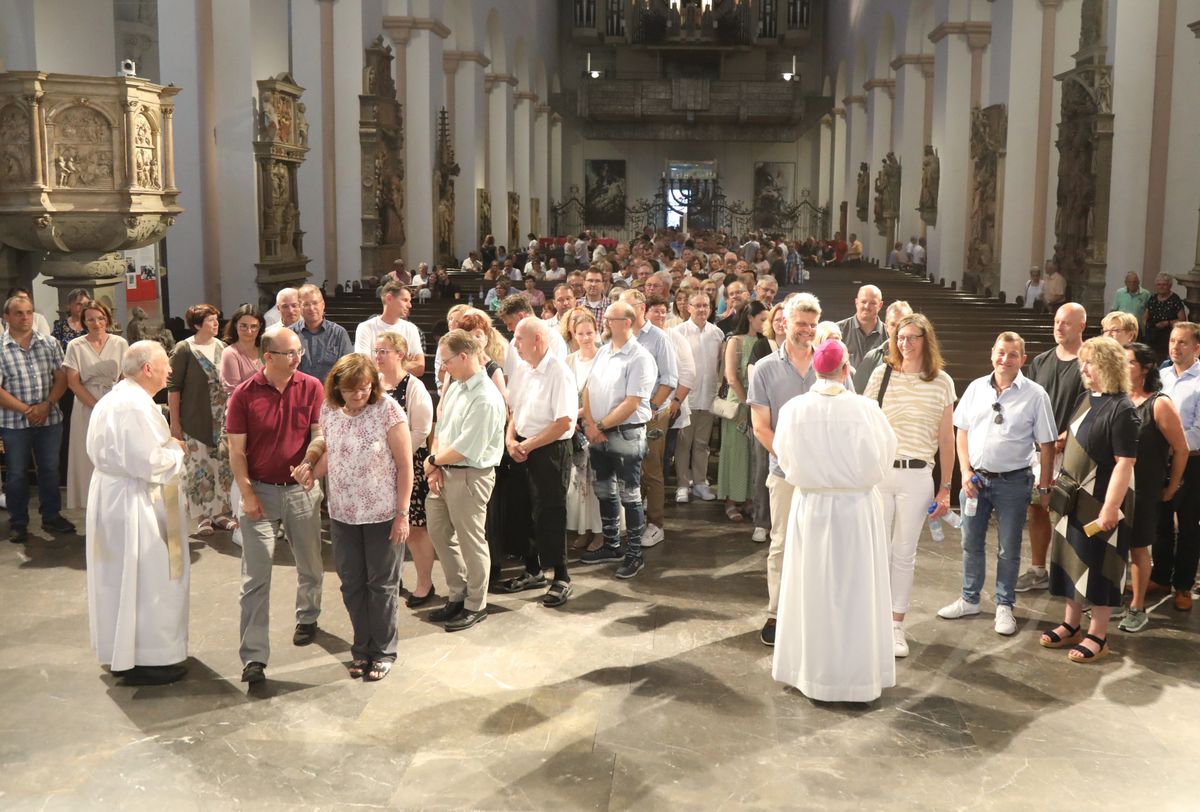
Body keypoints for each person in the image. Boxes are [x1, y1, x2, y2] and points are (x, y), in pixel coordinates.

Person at [771, 339, 897, 702]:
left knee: (812, 589)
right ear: (846, 370)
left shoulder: (795, 409)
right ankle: (857, 677)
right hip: (856, 509)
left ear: (814, 368)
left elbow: (784, 456)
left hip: (812, 507)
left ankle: (811, 672)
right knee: (856, 591)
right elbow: (886, 454)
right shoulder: (866, 409)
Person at [226, 327, 327, 685]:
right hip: (261, 494)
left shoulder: (312, 386)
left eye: (298, 351)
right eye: (289, 353)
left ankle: (308, 615)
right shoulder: (243, 395)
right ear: (268, 357)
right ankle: (253, 657)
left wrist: (311, 464)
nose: (297, 357)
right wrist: (247, 493)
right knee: (255, 577)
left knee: (311, 564)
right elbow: (236, 451)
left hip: (301, 491)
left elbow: (319, 433)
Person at [938, 332, 1056, 636]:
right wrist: (964, 472)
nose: (1005, 360)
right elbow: (961, 431)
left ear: (1023, 360)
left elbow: (1047, 443)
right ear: (992, 354)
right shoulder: (977, 388)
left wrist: (1043, 487)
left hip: (1014, 482)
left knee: (1009, 547)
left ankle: (1004, 605)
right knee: (970, 542)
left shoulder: (1035, 394)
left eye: (1012, 355)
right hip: (975, 479)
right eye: (1001, 353)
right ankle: (969, 598)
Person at [303, 354, 412, 682]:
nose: (359, 395)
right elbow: (332, 456)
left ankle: (384, 649)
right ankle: (361, 647)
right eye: (352, 390)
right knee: (351, 585)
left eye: (365, 388)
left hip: (383, 514)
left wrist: (402, 514)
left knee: (381, 585)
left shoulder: (388, 410)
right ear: (338, 387)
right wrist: (311, 470)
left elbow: (405, 466)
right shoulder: (329, 412)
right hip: (342, 514)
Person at [85, 341, 188, 686]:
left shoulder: (117, 398)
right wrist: (176, 451)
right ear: (147, 369)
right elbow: (148, 462)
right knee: (148, 577)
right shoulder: (132, 407)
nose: (169, 371)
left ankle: (123, 651)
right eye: (165, 365)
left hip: (114, 496)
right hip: (134, 501)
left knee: (120, 579)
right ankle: (150, 658)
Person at [860, 313, 957, 655]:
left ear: (926, 340)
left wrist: (946, 488)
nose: (906, 343)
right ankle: (872, 621)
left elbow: (947, 439)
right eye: (901, 337)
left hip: (917, 475)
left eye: (913, 337)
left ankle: (896, 626)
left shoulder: (942, 381)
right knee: (876, 550)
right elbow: (864, 423)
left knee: (903, 554)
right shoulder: (882, 373)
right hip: (882, 473)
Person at [1040, 337, 1138, 663]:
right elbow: (1080, 434)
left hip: (1100, 501)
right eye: (1082, 362)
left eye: (1090, 363)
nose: (1083, 368)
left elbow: (1125, 462)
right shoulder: (1087, 397)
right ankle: (1072, 623)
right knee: (1072, 560)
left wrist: (1111, 508)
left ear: (1108, 366)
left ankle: (1098, 633)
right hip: (1073, 497)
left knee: (1100, 566)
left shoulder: (1122, 408)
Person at [748, 294, 821, 645]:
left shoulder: (829, 364)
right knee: (781, 543)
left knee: (820, 545)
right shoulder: (765, 368)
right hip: (785, 472)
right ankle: (776, 613)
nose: (806, 330)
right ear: (785, 322)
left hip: (824, 477)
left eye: (812, 324)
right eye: (800, 323)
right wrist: (793, 460)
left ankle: (811, 611)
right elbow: (761, 426)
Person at [424, 330, 507, 631]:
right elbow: (442, 429)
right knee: (440, 535)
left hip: (470, 475)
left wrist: (432, 461)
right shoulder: (458, 386)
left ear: (464, 356)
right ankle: (457, 595)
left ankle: (476, 604)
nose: (443, 367)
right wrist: (434, 466)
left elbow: (465, 449)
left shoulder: (485, 397)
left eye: (446, 361)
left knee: (471, 543)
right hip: (445, 472)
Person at [500, 318, 577, 606]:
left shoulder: (559, 372)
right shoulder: (522, 369)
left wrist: (527, 445)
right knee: (522, 510)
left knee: (550, 511)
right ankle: (532, 570)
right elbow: (514, 410)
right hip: (522, 445)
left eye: (519, 339)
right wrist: (511, 440)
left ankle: (561, 575)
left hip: (550, 449)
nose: (515, 345)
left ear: (538, 340)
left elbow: (564, 422)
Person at [579, 302, 656, 579]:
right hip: (598, 432)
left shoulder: (639, 356)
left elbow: (632, 402)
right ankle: (612, 545)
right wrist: (590, 424)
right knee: (604, 490)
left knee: (629, 494)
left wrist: (599, 425)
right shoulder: (603, 351)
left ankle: (635, 554)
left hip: (625, 432)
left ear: (627, 322)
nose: (606, 322)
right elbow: (589, 390)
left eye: (611, 319)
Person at [1018, 303, 1086, 593]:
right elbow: (1028, 402)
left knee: (1071, 512)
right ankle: (1037, 569)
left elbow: (1092, 405)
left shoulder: (1087, 363)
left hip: (1075, 449)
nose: (1059, 327)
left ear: (1082, 326)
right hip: (1041, 450)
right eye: (1057, 321)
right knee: (1037, 507)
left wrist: (1066, 436)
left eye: (1066, 323)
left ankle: (1070, 573)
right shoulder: (1042, 360)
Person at [1122, 343, 1187, 632]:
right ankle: (1110, 599)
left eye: (1129, 363)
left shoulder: (1159, 403)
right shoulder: (1120, 399)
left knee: (1138, 548)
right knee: (1112, 547)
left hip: (1145, 488)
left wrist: (1172, 486)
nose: (1122, 368)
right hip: (1116, 487)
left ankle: (1137, 607)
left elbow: (1181, 448)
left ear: (1145, 368)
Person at [0, 295, 75, 543]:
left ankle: (51, 515)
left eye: (29, 312)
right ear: (6, 317)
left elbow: (61, 377)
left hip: (49, 418)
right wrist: (27, 410)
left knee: (50, 470)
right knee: (17, 473)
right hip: (14, 422)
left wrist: (47, 405)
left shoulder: (49, 343)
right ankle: (18, 521)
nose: (25, 318)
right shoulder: (1, 347)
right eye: (19, 313)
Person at [373, 332, 437, 609]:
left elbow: (422, 429)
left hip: (407, 463)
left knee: (414, 528)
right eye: (376, 351)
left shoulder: (413, 386)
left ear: (400, 354)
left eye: (383, 351)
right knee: (384, 528)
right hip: (377, 466)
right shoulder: (373, 384)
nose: (377, 356)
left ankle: (425, 582)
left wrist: (397, 459)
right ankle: (391, 577)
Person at [167, 304, 235, 536]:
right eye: (210, 320)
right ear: (197, 325)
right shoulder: (184, 349)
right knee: (199, 469)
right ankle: (203, 515)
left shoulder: (223, 347)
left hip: (222, 419)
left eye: (217, 319)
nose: (216, 323)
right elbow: (173, 388)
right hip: (196, 419)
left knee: (222, 467)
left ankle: (220, 513)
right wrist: (175, 424)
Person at [618, 289, 678, 549]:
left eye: (627, 309)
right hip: (625, 411)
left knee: (651, 468)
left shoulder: (658, 338)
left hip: (652, 412)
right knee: (630, 468)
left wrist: (651, 408)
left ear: (641, 308)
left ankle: (656, 525)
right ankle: (634, 520)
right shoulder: (619, 337)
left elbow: (670, 380)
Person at [1150, 322, 1200, 610]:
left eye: (1182, 342)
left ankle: (1183, 585)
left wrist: (1172, 441)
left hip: (1194, 462)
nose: (1175, 347)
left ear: (1196, 347)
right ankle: (1160, 577)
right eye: (1172, 341)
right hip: (1162, 461)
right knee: (1161, 523)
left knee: (1190, 525)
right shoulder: (1162, 376)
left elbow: (1197, 430)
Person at [63, 302, 128, 510]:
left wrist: (116, 404)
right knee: (87, 455)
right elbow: (73, 382)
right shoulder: (76, 345)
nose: (96, 323)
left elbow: (125, 377)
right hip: (85, 404)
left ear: (107, 319)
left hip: (115, 401)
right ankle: (90, 505)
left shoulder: (120, 343)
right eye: (91, 319)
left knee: (115, 453)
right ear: (84, 322)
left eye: (100, 318)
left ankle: (116, 505)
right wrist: (98, 406)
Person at [218, 304, 264, 547]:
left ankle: (260, 520)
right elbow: (233, 388)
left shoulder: (265, 349)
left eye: (254, 326)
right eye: (244, 325)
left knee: (260, 470)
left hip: (266, 420)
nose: (249, 330)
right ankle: (239, 524)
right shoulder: (230, 353)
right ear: (235, 326)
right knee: (241, 470)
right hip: (241, 419)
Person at [717, 300, 767, 524]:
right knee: (735, 452)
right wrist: (748, 402)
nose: (766, 324)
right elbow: (731, 376)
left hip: (758, 405)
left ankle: (748, 499)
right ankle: (731, 501)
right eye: (762, 320)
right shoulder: (735, 341)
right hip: (739, 403)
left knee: (752, 455)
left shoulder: (765, 343)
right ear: (750, 318)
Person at [673, 291, 724, 503]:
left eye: (706, 306)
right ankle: (683, 484)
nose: (702, 309)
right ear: (688, 307)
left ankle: (700, 483)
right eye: (698, 305)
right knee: (683, 444)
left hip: (708, 396)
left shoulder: (717, 334)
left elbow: (719, 366)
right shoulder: (677, 332)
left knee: (702, 443)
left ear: (710, 309)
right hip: (685, 397)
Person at [564, 309, 606, 552]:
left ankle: (601, 532)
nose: (586, 337)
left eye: (589, 332)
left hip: (597, 426)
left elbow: (605, 395)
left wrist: (581, 415)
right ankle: (585, 530)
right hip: (575, 430)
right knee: (581, 483)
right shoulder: (569, 360)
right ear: (574, 334)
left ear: (596, 332)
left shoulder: (604, 357)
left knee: (599, 482)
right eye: (581, 333)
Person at [354, 280, 425, 377]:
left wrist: (379, 364)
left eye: (410, 301)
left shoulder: (411, 328)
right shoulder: (365, 328)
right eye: (405, 300)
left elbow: (420, 367)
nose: (409, 305)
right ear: (389, 298)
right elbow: (363, 367)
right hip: (374, 388)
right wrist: (403, 363)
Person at [292, 283, 353, 384]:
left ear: (323, 305)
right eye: (306, 304)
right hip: (299, 393)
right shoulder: (291, 334)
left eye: (315, 303)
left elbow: (349, 368)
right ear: (299, 307)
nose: (311, 308)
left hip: (330, 394)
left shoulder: (338, 333)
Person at [852, 300, 912, 393]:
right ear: (886, 324)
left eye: (902, 325)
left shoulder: (920, 356)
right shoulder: (872, 358)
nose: (897, 330)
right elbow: (857, 395)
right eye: (893, 324)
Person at [835, 285, 885, 367]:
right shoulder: (837, 331)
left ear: (880, 305)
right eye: (863, 302)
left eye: (872, 303)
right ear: (856, 302)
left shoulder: (889, 334)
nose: (867, 306)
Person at [1144, 273, 1187, 359]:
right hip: (1151, 337)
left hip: (1166, 338)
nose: (1161, 287)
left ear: (1170, 286)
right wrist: (1147, 327)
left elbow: (1182, 320)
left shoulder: (1175, 299)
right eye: (1159, 284)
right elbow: (1145, 316)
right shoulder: (1152, 298)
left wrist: (1167, 323)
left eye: (1164, 284)